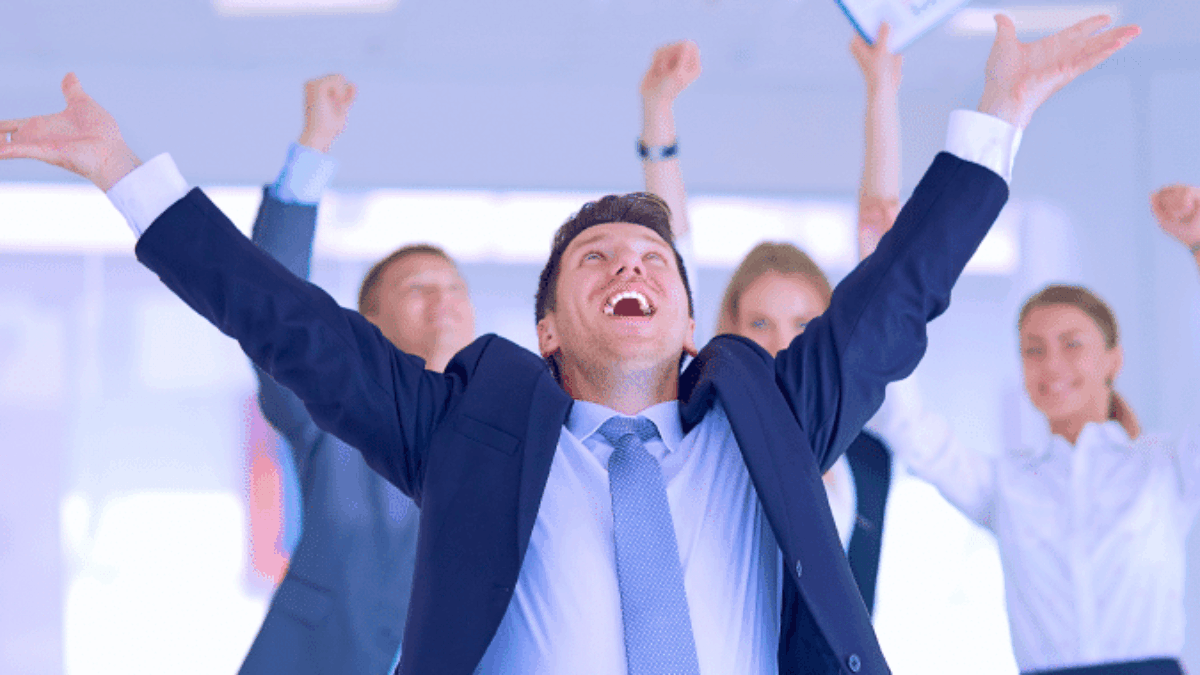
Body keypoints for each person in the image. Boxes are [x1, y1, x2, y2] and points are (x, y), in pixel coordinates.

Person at [0, 15, 1138, 674]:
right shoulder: (466, 426)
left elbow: (895, 300)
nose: (630, 269)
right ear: (548, 328)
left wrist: (1000, 117)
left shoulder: (772, 414)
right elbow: (284, 322)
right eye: (596, 262)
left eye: (652, 263)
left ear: (691, 322)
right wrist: (125, 178)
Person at [867, 188, 1200, 674]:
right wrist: (888, 279)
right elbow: (909, 427)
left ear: (1114, 359)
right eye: (1034, 350)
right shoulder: (1006, 484)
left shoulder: (1166, 467)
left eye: (1072, 344)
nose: (1052, 365)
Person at [636, 26, 903, 613]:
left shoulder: (869, 450)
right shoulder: (710, 441)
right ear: (723, 332)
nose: (784, 344)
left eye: (805, 323)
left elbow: (883, 254)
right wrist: (658, 113)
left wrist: (882, 91)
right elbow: (671, 256)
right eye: (760, 324)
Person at [238, 75, 475, 674]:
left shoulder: (512, 420)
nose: (442, 301)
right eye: (419, 289)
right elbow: (273, 304)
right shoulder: (337, 410)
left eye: (454, 288)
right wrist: (315, 144)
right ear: (370, 320)